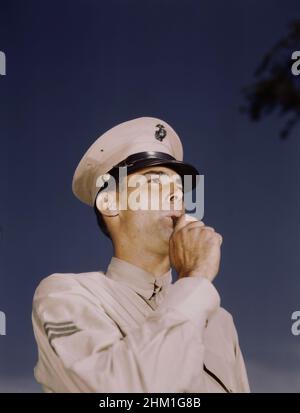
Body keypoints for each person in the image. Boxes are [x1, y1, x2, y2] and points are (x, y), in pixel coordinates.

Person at [32, 117, 250, 393]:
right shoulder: (66, 295)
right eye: (155, 181)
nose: (177, 194)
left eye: (180, 187)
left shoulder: (220, 321)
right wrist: (195, 278)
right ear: (110, 203)